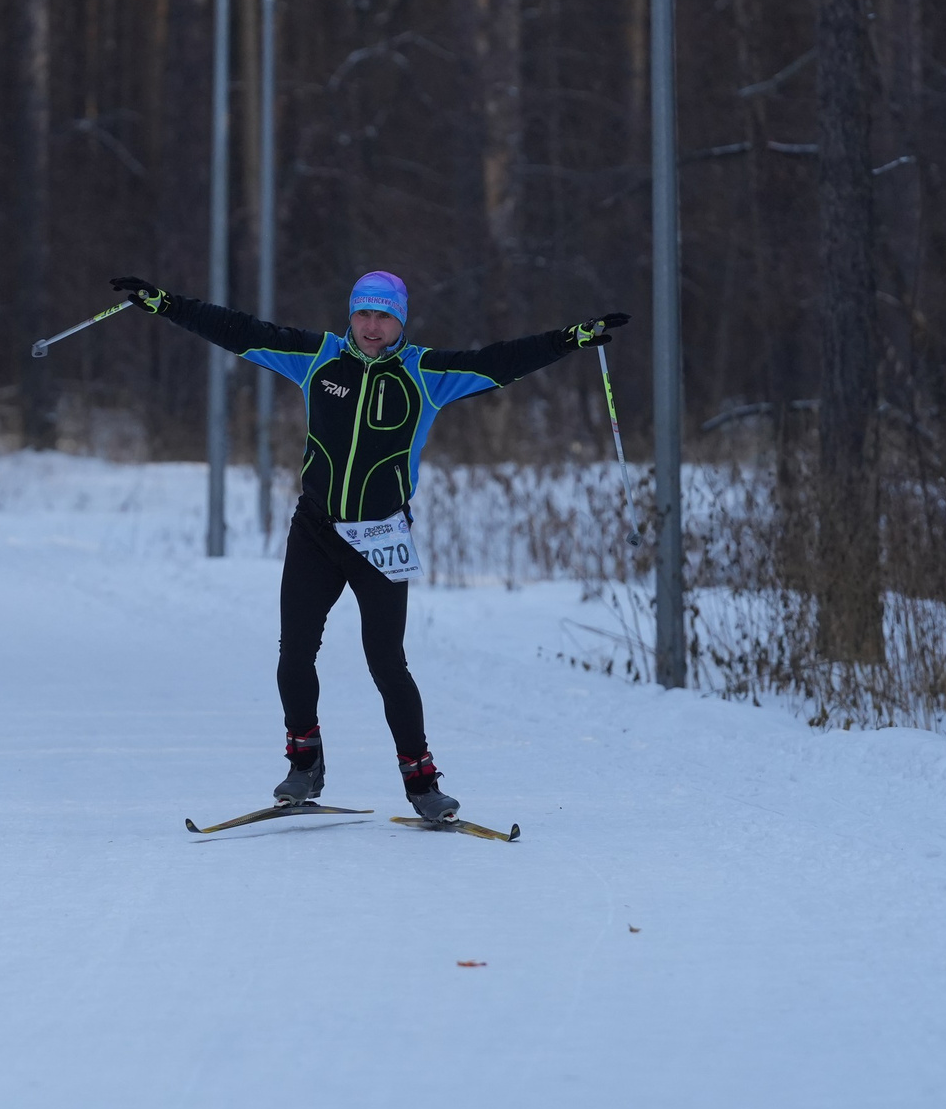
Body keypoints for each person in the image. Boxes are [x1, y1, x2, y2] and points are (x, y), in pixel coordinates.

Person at [108, 271, 627, 822]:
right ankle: (304, 764)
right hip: (316, 530)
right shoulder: (317, 359)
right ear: (350, 316)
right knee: (295, 653)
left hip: (381, 536)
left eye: (384, 317)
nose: (372, 327)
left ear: (401, 322)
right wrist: (167, 304)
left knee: (387, 662)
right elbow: (240, 331)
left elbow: (499, 361)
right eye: (363, 314)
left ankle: (422, 783)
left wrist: (567, 340)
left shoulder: (426, 374)